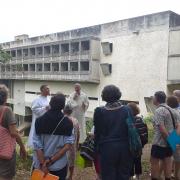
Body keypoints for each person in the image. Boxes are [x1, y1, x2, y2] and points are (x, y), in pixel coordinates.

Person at [94, 85, 132, 180]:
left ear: (104, 96)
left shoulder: (99, 111)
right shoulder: (127, 109)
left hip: (107, 148)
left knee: (108, 175)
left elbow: (97, 132)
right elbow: (131, 129)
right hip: (125, 147)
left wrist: (96, 149)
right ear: (118, 94)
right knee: (123, 175)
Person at [32, 93, 74, 180]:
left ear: (50, 104)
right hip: (59, 165)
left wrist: (43, 164)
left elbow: (37, 144)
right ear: (63, 107)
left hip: (40, 165)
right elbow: (68, 146)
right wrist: (50, 161)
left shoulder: (39, 121)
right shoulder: (68, 123)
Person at [151, 91, 180, 180]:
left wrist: (170, 140)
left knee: (154, 162)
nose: (152, 99)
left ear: (157, 99)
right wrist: (174, 141)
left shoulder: (159, 110)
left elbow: (162, 128)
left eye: (153, 97)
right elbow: (178, 127)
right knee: (168, 162)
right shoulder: (173, 110)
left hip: (159, 142)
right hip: (170, 142)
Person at [0, 84, 27, 180]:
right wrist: (23, 148)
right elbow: (13, 133)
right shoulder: (6, 110)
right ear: (5, 98)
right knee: (6, 177)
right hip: (5, 151)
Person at [128, 102, 148, 180]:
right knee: (138, 160)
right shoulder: (140, 119)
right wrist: (142, 143)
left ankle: (130, 176)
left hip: (129, 145)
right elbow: (144, 132)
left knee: (130, 161)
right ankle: (138, 176)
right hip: (139, 144)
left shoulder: (127, 119)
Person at [64, 104, 80, 180]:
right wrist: (77, 143)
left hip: (63, 144)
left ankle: (63, 175)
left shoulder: (62, 119)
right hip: (72, 144)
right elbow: (78, 133)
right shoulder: (75, 120)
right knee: (72, 161)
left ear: (64, 111)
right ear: (71, 111)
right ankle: (70, 176)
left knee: (63, 160)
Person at [167, 96, 180, 180]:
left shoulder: (171, 112)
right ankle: (176, 174)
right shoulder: (178, 111)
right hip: (176, 135)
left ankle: (167, 174)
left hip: (173, 135)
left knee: (169, 155)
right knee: (177, 157)